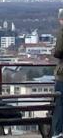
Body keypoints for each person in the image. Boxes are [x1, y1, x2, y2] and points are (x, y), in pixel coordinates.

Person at [51, 9, 63, 138]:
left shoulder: (62, 31)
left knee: (59, 103)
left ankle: (58, 131)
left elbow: (58, 51)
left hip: (62, 75)